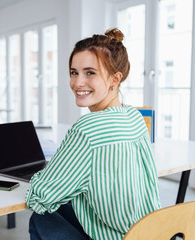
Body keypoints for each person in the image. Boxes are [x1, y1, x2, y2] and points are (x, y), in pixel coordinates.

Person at [25, 28, 162, 240]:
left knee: (41, 216)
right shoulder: (135, 117)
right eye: (74, 72)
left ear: (115, 79)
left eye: (90, 73)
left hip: (116, 237)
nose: (77, 83)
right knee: (68, 207)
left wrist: (49, 173)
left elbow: (41, 197)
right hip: (147, 232)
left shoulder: (87, 128)